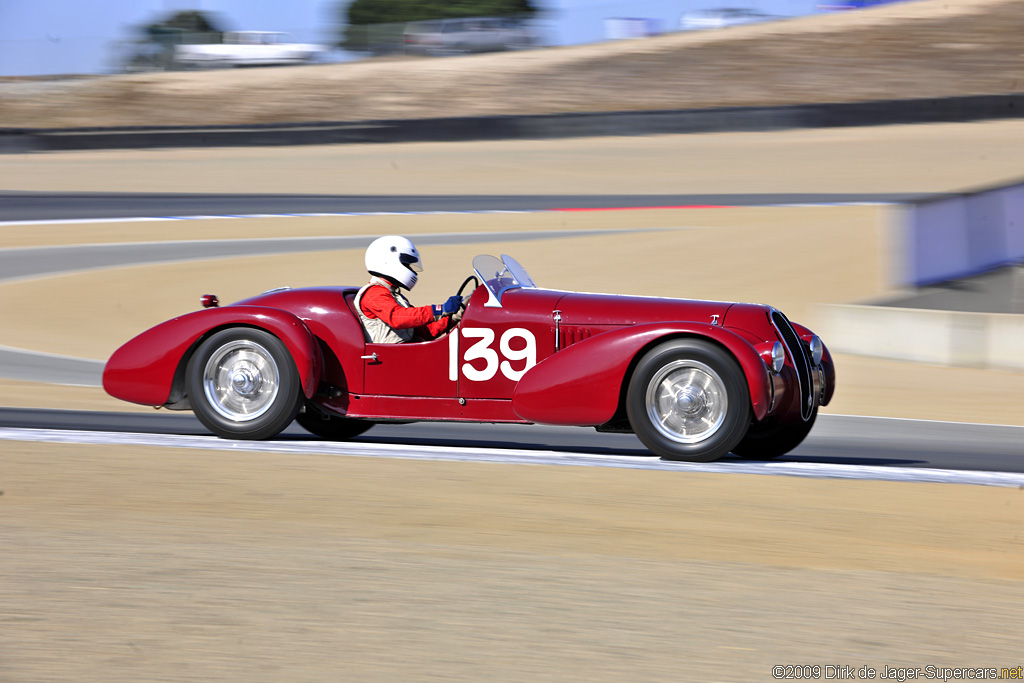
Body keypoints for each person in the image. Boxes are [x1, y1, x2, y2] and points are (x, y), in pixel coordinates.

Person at [354, 235, 464, 344]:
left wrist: (457, 314)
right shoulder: (374, 293)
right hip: (389, 356)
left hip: (405, 352)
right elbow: (397, 318)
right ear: (388, 261)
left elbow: (427, 331)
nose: (410, 269)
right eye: (406, 264)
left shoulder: (394, 295)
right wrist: (440, 309)